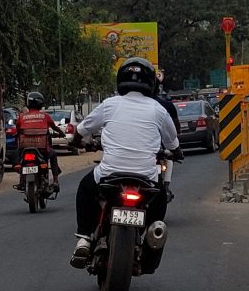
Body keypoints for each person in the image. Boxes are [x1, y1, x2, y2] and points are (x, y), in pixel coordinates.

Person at [71, 57, 180, 267]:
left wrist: (78, 143)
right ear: (151, 82)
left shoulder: (109, 104)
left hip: (109, 174)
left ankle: (84, 237)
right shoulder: (159, 109)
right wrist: (177, 153)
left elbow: (81, 130)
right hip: (147, 177)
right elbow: (173, 142)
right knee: (160, 199)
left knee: (85, 188)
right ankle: (152, 238)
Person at [12, 91, 65, 196]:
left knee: (19, 160)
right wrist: (61, 133)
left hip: (24, 148)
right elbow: (54, 127)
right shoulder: (45, 116)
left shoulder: (22, 117)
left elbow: (17, 130)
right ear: (41, 104)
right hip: (43, 149)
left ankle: (21, 180)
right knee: (53, 155)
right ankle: (55, 180)